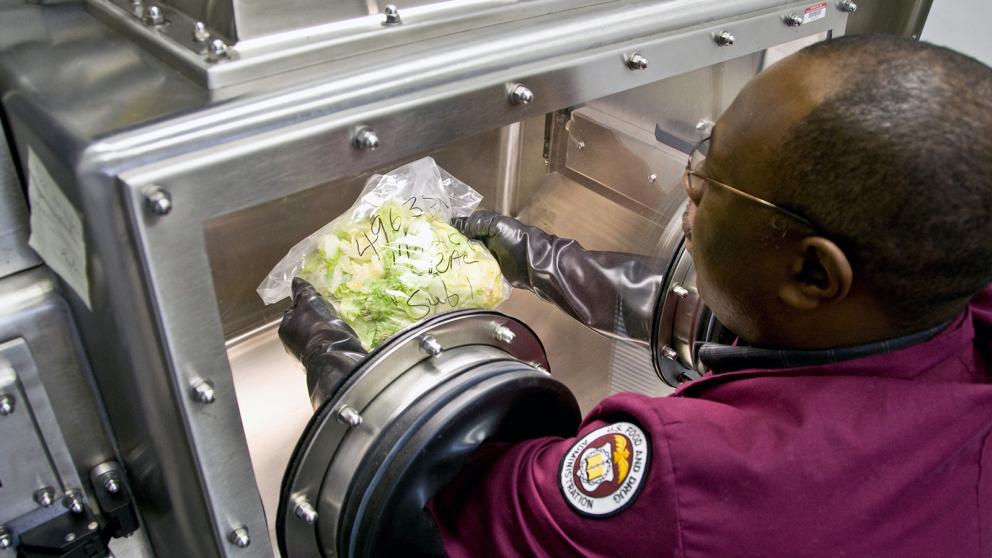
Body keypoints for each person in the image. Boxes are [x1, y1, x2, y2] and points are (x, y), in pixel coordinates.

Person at [281, 35, 992, 557]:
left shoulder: (689, 478)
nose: (692, 181)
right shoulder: (948, 299)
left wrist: (359, 387)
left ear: (813, 275)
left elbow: (446, 518)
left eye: (714, 180)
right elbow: (776, 321)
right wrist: (546, 260)